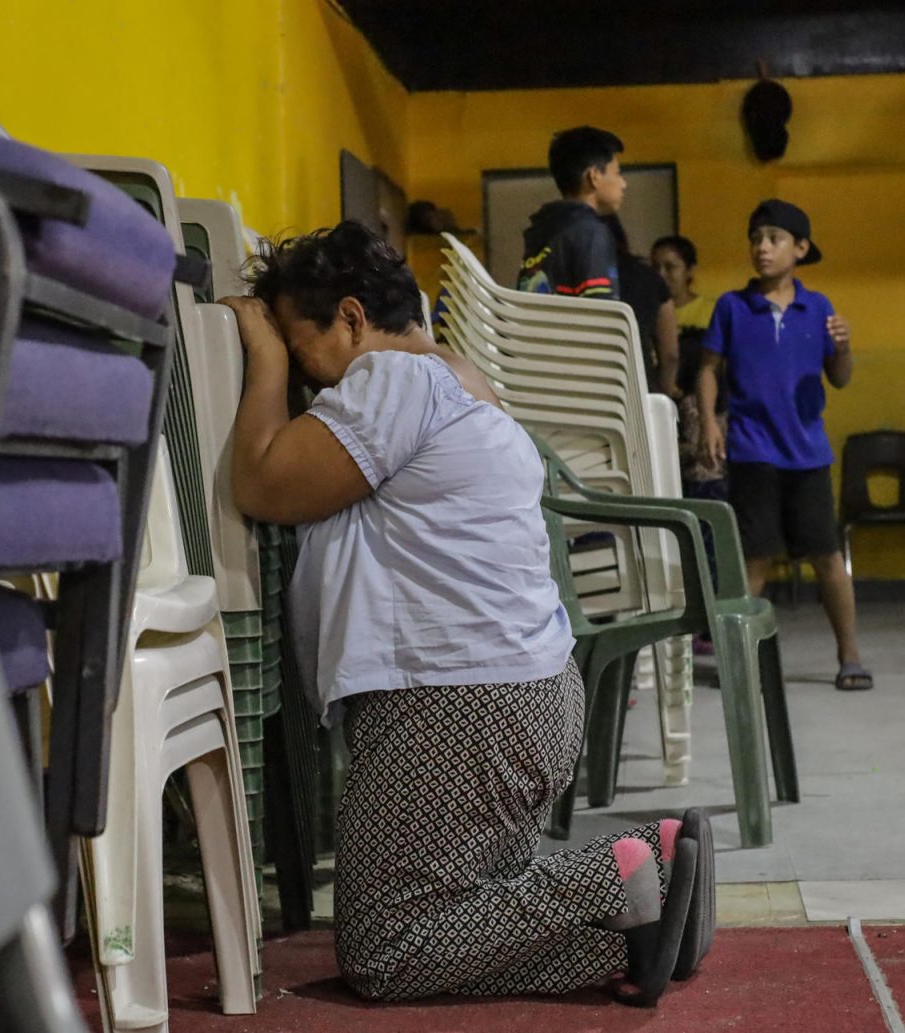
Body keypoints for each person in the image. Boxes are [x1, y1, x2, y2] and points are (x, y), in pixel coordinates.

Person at [221, 221, 709, 1006]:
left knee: (389, 946)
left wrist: (265, 363)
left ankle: (625, 877)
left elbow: (264, 486)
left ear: (351, 317)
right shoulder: (462, 377)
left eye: (300, 340)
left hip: (452, 704)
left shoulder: (391, 382)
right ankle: (639, 898)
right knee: (475, 895)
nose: (311, 378)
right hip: (527, 697)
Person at [698, 200, 872, 691]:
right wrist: (711, 422)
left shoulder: (818, 308)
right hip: (753, 451)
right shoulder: (732, 307)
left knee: (827, 558)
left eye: (774, 238)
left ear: (800, 248)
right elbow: (708, 368)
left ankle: (850, 655)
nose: (762, 247)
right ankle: (742, 665)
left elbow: (839, 379)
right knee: (754, 559)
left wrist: (843, 347)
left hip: (808, 455)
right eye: (756, 238)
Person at [653, 234, 724, 653]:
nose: (663, 276)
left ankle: (711, 617)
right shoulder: (649, 312)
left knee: (706, 511)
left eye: (671, 267)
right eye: (656, 267)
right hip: (662, 418)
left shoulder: (710, 312)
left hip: (702, 419)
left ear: (690, 271)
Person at [518, 126, 625, 299]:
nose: (623, 184)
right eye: (618, 173)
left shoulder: (540, 231)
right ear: (594, 176)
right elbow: (601, 313)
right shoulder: (590, 232)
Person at [604, 214, 678, 396]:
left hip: (592, 383)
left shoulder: (576, 275)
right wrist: (664, 390)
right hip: (639, 383)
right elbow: (670, 354)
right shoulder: (649, 278)